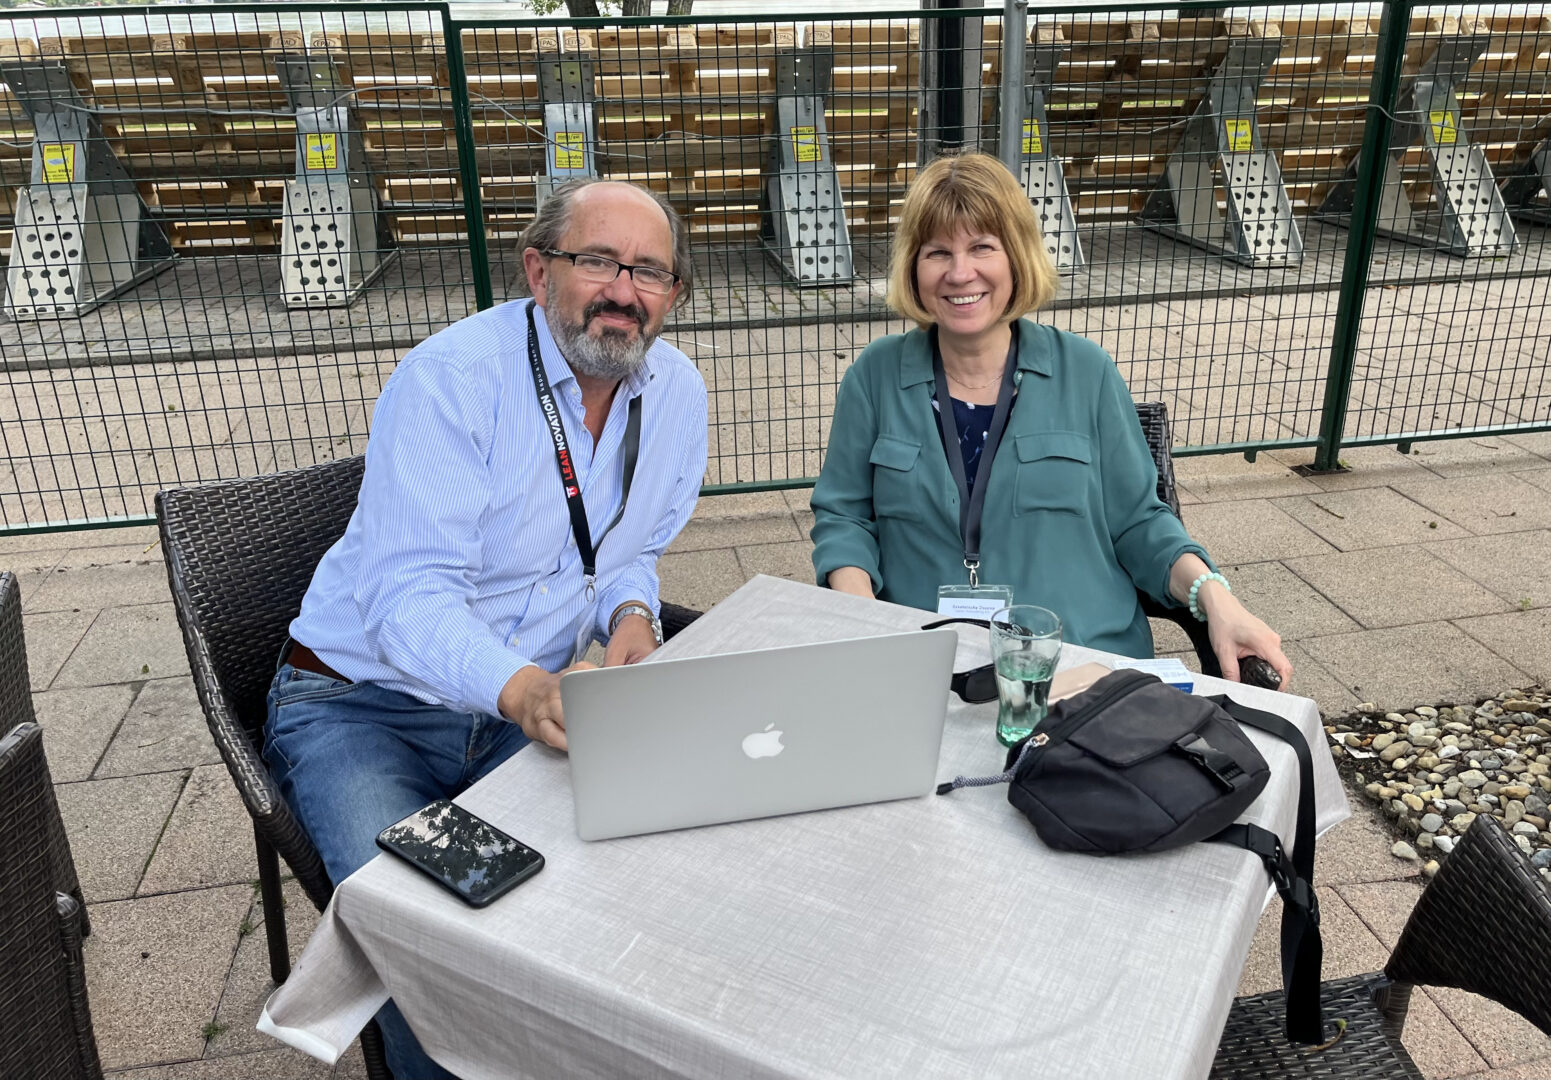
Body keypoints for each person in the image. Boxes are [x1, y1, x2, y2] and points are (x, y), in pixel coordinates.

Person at [263, 178, 708, 1078]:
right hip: (362, 706)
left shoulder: (677, 393)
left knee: (633, 878)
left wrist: (630, 616)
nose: (623, 291)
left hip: (521, 709)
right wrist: (527, 689)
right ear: (539, 271)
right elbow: (408, 598)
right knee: (427, 941)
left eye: (649, 271)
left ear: (673, 292)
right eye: (598, 262)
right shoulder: (453, 379)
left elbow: (628, 549)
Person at [810, 152, 1291, 685]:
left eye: (982, 247)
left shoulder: (1086, 372)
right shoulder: (875, 376)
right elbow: (845, 519)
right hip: (929, 667)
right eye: (938, 252)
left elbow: (1140, 522)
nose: (960, 272)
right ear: (913, 267)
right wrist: (869, 623)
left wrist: (1215, 596)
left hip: (1082, 665)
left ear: (1017, 257)